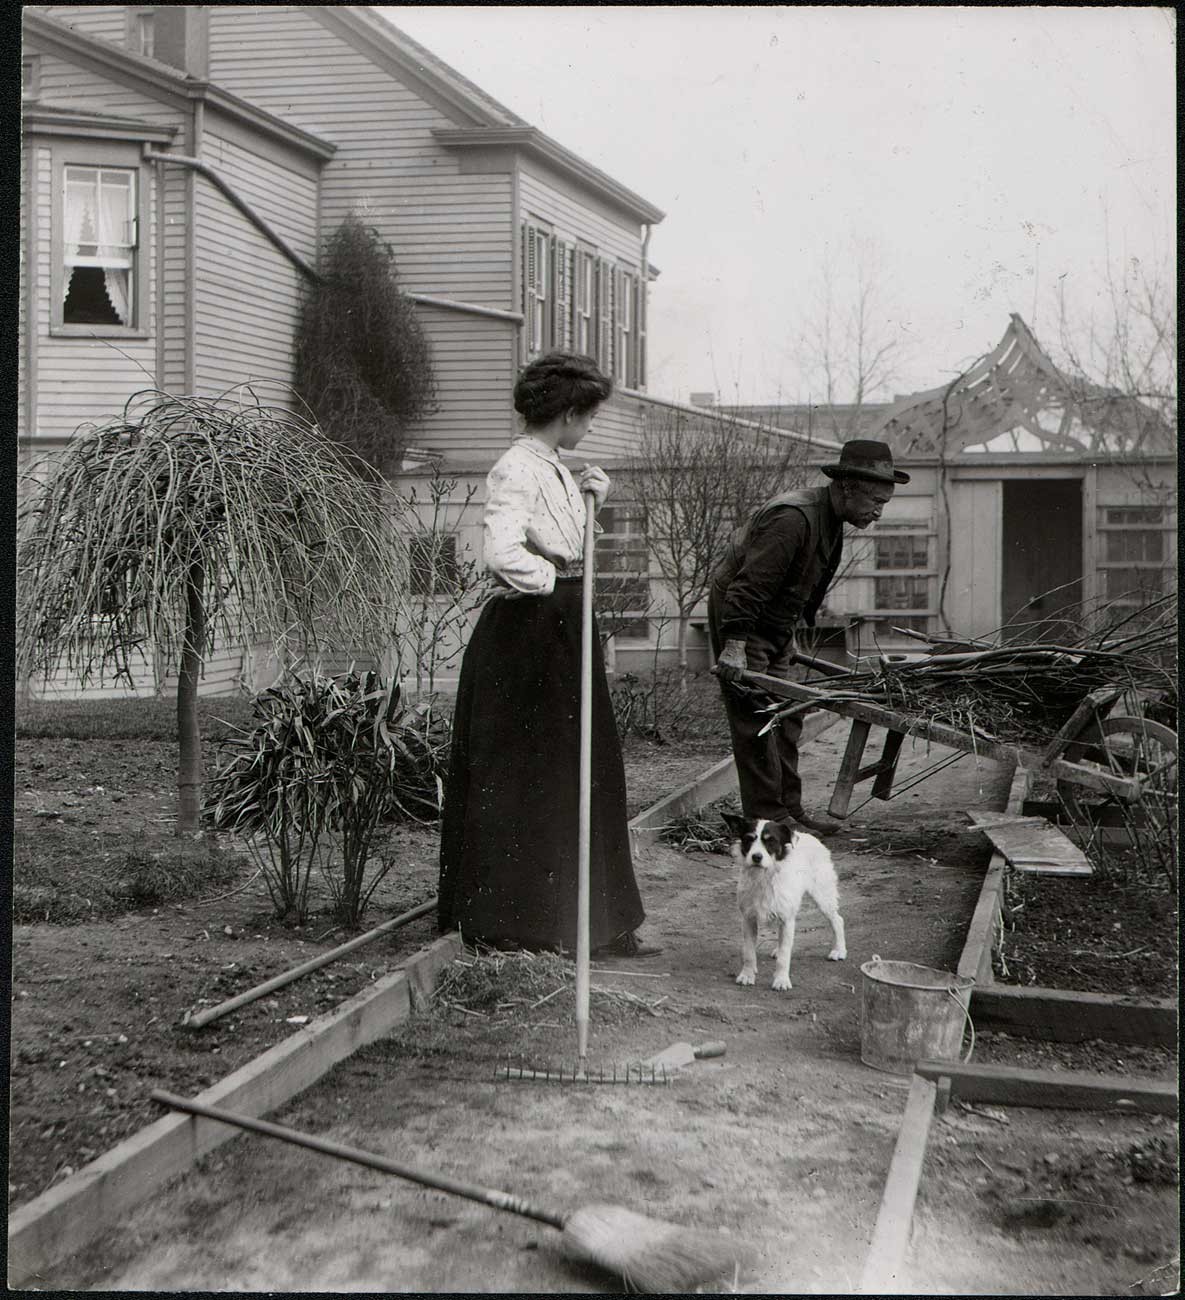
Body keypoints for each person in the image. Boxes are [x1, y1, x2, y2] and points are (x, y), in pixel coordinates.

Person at [437, 351, 660, 958]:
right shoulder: (514, 468)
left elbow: (564, 542)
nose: (591, 426)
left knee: (584, 768)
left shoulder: (556, 467)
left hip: (561, 626)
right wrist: (555, 581)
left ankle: (591, 922)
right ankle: (523, 924)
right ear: (567, 414)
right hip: (530, 638)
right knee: (535, 775)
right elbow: (501, 553)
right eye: (589, 416)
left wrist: (593, 505)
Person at [708, 439, 910, 834]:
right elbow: (749, 586)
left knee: (787, 716)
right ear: (847, 486)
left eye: (884, 503)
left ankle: (790, 811)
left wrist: (791, 632)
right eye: (875, 501)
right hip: (745, 619)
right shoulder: (793, 518)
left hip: (775, 623)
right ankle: (769, 819)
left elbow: (803, 582)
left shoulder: (832, 519)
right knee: (757, 718)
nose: (878, 512)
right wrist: (734, 646)